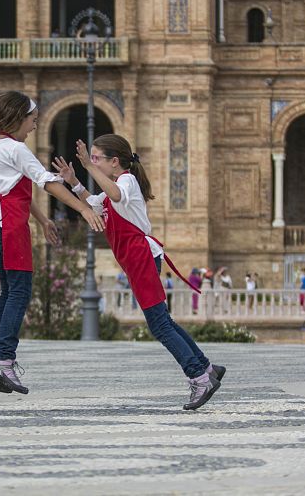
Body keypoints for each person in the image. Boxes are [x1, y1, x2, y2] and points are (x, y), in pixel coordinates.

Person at [56, 133, 225, 410]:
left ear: (114, 162)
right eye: (92, 157)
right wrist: (73, 180)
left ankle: (198, 377)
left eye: (97, 157)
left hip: (141, 257)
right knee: (165, 322)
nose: (93, 161)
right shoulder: (114, 186)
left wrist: (87, 166)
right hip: (136, 259)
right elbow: (92, 202)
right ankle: (207, 368)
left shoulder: (127, 181)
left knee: (159, 325)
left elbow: (114, 194)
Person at [0, 91, 105, 395]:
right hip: (10, 226)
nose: (34, 125)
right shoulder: (17, 150)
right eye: (32, 119)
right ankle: (5, 360)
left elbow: (12, 188)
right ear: (19, 118)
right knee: (20, 291)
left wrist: (43, 220)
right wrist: (83, 208)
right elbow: (46, 182)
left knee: (8, 290)